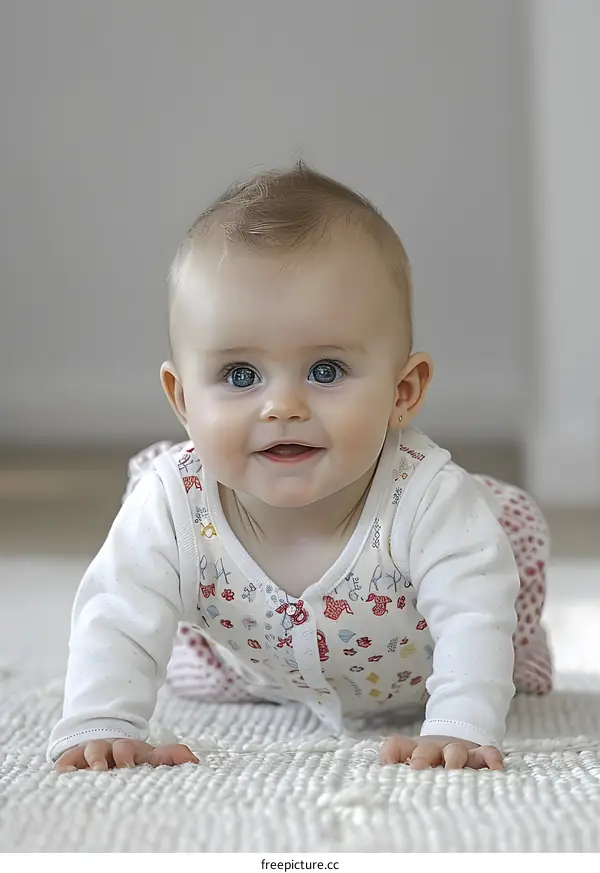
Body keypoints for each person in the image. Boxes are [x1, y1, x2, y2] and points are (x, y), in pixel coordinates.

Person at [49, 164, 552, 773]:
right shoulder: (175, 503)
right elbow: (118, 614)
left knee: (498, 596)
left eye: (326, 371)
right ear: (182, 401)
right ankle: (217, 657)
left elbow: (474, 611)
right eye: (240, 376)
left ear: (403, 390)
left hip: (413, 669)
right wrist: (104, 722)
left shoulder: (427, 499)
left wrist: (460, 725)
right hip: (250, 656)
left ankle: (520, 656)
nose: (282, 406)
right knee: (182, 647)